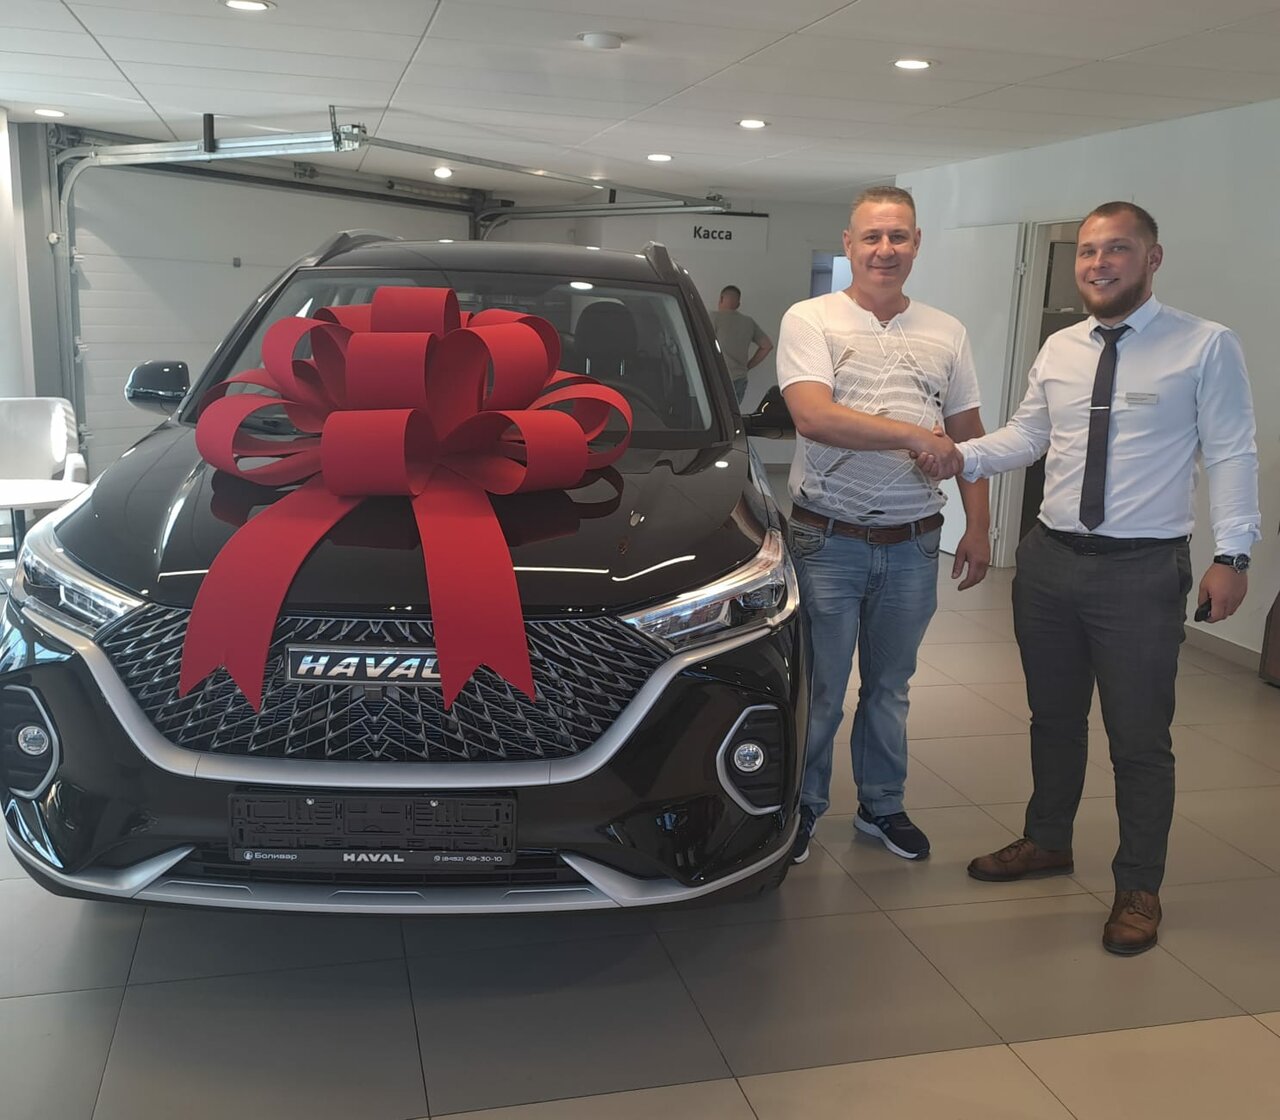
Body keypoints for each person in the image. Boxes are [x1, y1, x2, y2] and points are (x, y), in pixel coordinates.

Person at [917, 201, 1261, 956]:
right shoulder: (1061, 347)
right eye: (1087, 251)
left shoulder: (1205, 345)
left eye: (1117, 249)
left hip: (1141, 570)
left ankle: (1139, 885)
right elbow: (1030, 435)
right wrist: (961, 455)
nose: (1098, 264)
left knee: (1139, 740)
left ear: (1152, 259)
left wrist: (1234, 554)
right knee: (1053, 718)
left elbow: (1233, 452)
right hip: (1049, 562)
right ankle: (1047, 839)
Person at [777, 185, 991, 865]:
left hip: (913, 544)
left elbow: (967, 434)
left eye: (898, 236)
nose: (885, 249)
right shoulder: (811, 319)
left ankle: (881, 805)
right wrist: (913, 436)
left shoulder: (946, 331)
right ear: (849, 244)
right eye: (871, 236)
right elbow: (813, 417)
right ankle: (802, 808)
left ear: (917, 243)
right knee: (820, 692)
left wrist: (979, 525)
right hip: (826, 540)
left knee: (891, 691)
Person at [711, 285, 773, 404]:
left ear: (721, 299)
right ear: (738, 304)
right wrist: (747, 366)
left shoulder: (713, 318)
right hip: (739, 378)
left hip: (717, 377)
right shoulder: (748, 322)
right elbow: (767, 346)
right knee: (733, 412)